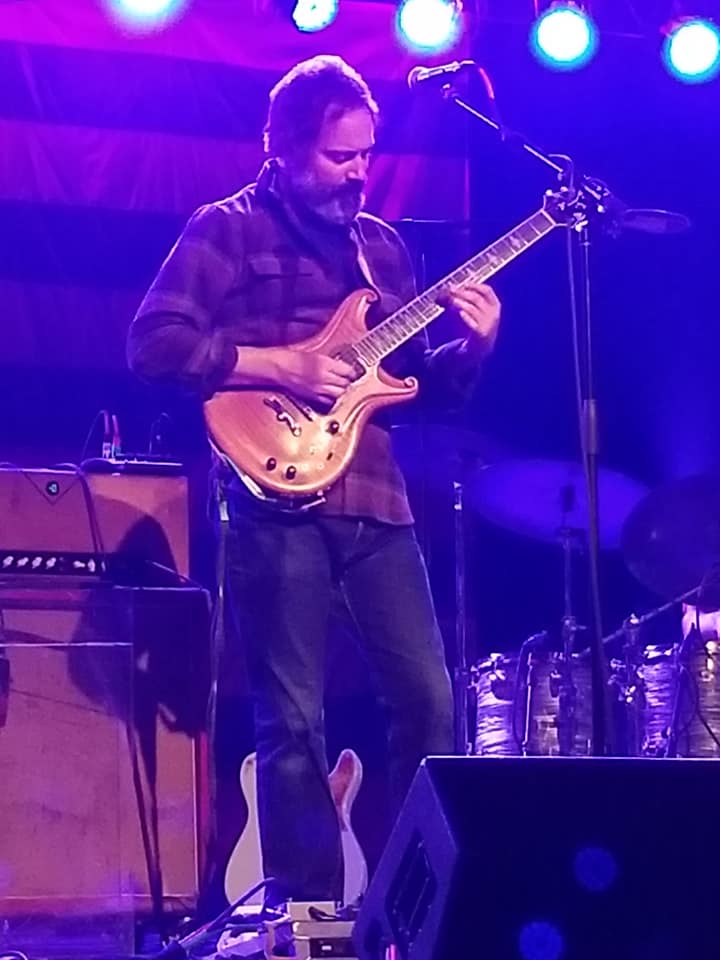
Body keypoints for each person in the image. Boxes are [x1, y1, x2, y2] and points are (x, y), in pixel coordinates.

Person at [127, 55, 501, 905]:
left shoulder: (383, 249)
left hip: (375, 500)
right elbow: (154, 344)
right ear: (285, 148)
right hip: (272, 501)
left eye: (366, 154)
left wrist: (472, 347)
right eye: (339, 156)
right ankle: (308, 916)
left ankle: (415, 903)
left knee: (429, 702)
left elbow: (415, 387)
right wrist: (280, 365)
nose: (358, 172)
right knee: (293, 721)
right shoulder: (226, 229)